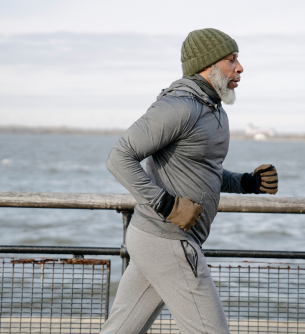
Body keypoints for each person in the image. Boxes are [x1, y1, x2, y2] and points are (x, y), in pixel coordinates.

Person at [100, 28, 278, 334]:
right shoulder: (179, 106)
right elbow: (119, 157)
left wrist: (246, 182)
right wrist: (167, 205)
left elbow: (203, 172)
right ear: (207, 65)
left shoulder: (214, 111)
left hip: (157, 241)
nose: (240, 67)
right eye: (231, 59)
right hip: (167, 238)